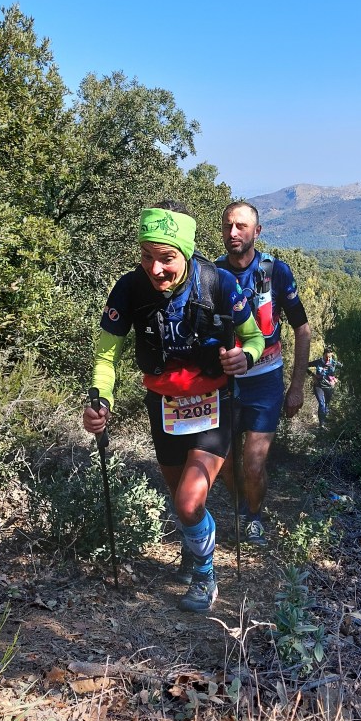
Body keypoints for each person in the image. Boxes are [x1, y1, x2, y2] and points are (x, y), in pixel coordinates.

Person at [83, 202, 264, 613]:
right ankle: (193, 545)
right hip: (163, 406)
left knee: (187, 502)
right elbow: (106, 356)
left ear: (186, 251)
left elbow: (254, 337)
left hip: (213, 404)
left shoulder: (218, 283)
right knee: (180, 495)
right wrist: (101, 399)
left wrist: (246, 357)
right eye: (147, 255)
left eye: (166, 257)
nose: (155, 268)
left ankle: (205, 576)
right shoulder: (129, 289)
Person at [216, 201, 311, 547]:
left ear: (257, 232)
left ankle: (254, 517)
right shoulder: (213, 274)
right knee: (226, 464)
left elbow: (302, 329)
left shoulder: (276, 272)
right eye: (228, 226)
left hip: (265, 381)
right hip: (223, 384)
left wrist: (296, 387)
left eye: (241, 226)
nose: (233, 232)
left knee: (253, 465)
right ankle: (242, 507)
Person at [308, 348, 341, 428]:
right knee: (321, 403)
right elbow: (305, 365)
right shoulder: (318, 362)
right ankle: (321, 424)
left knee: (326, 404)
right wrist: (313, 375)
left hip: (329, 386)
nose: (328, 359)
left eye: (330, 357)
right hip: (318, 385)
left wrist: (336, 379)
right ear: (323, 355)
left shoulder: (334, 363)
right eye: (326, 357)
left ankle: (325, 421)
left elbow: (345, 369)